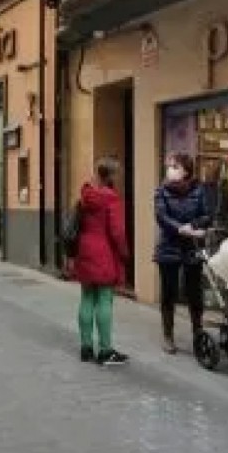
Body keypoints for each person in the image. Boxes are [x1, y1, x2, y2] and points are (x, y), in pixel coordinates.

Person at [72, 157, 130, 366]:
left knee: (87, 297)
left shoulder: (86, 195)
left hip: (85, 250)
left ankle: (86, 347)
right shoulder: (111, 198)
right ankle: (105, 350)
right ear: (113, 176)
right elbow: (117, 232)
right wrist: (124, 253)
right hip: (104, 251)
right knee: (105, 299)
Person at [154, 152, 210, 354]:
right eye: (169, 166)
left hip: (192, 246)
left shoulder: (199, 190)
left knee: (194, 293)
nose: (170, 169)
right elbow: (161, 216)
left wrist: (193, 226)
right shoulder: (162, 191)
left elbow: (206, 214)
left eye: (174, 166)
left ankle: (198, 333)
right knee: (169, 293)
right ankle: (168, 335)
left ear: (186, 171)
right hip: (169, 246)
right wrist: (180, 228)